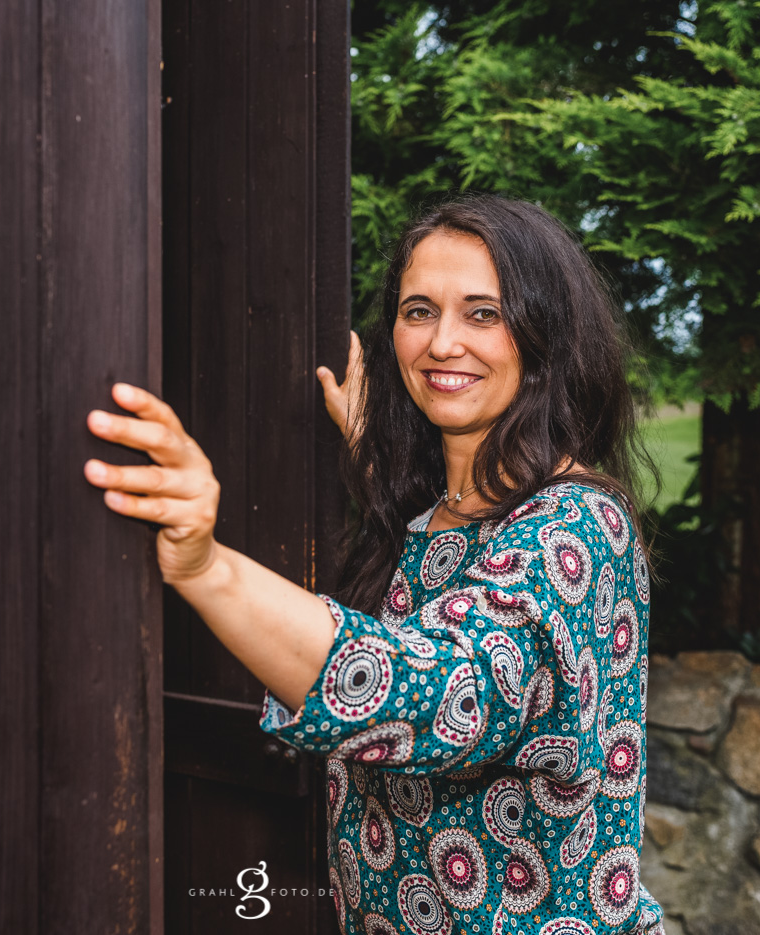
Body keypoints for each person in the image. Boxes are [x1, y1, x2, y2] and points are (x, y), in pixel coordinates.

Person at [84, 193, 665, 935]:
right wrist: (373, 450)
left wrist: (206, 566)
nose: (442, 343)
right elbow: (441, 552)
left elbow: (439, 690)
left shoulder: (577, 525)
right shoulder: (435, 511)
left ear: (545, 335)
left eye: (483, 313)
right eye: (419, 310)